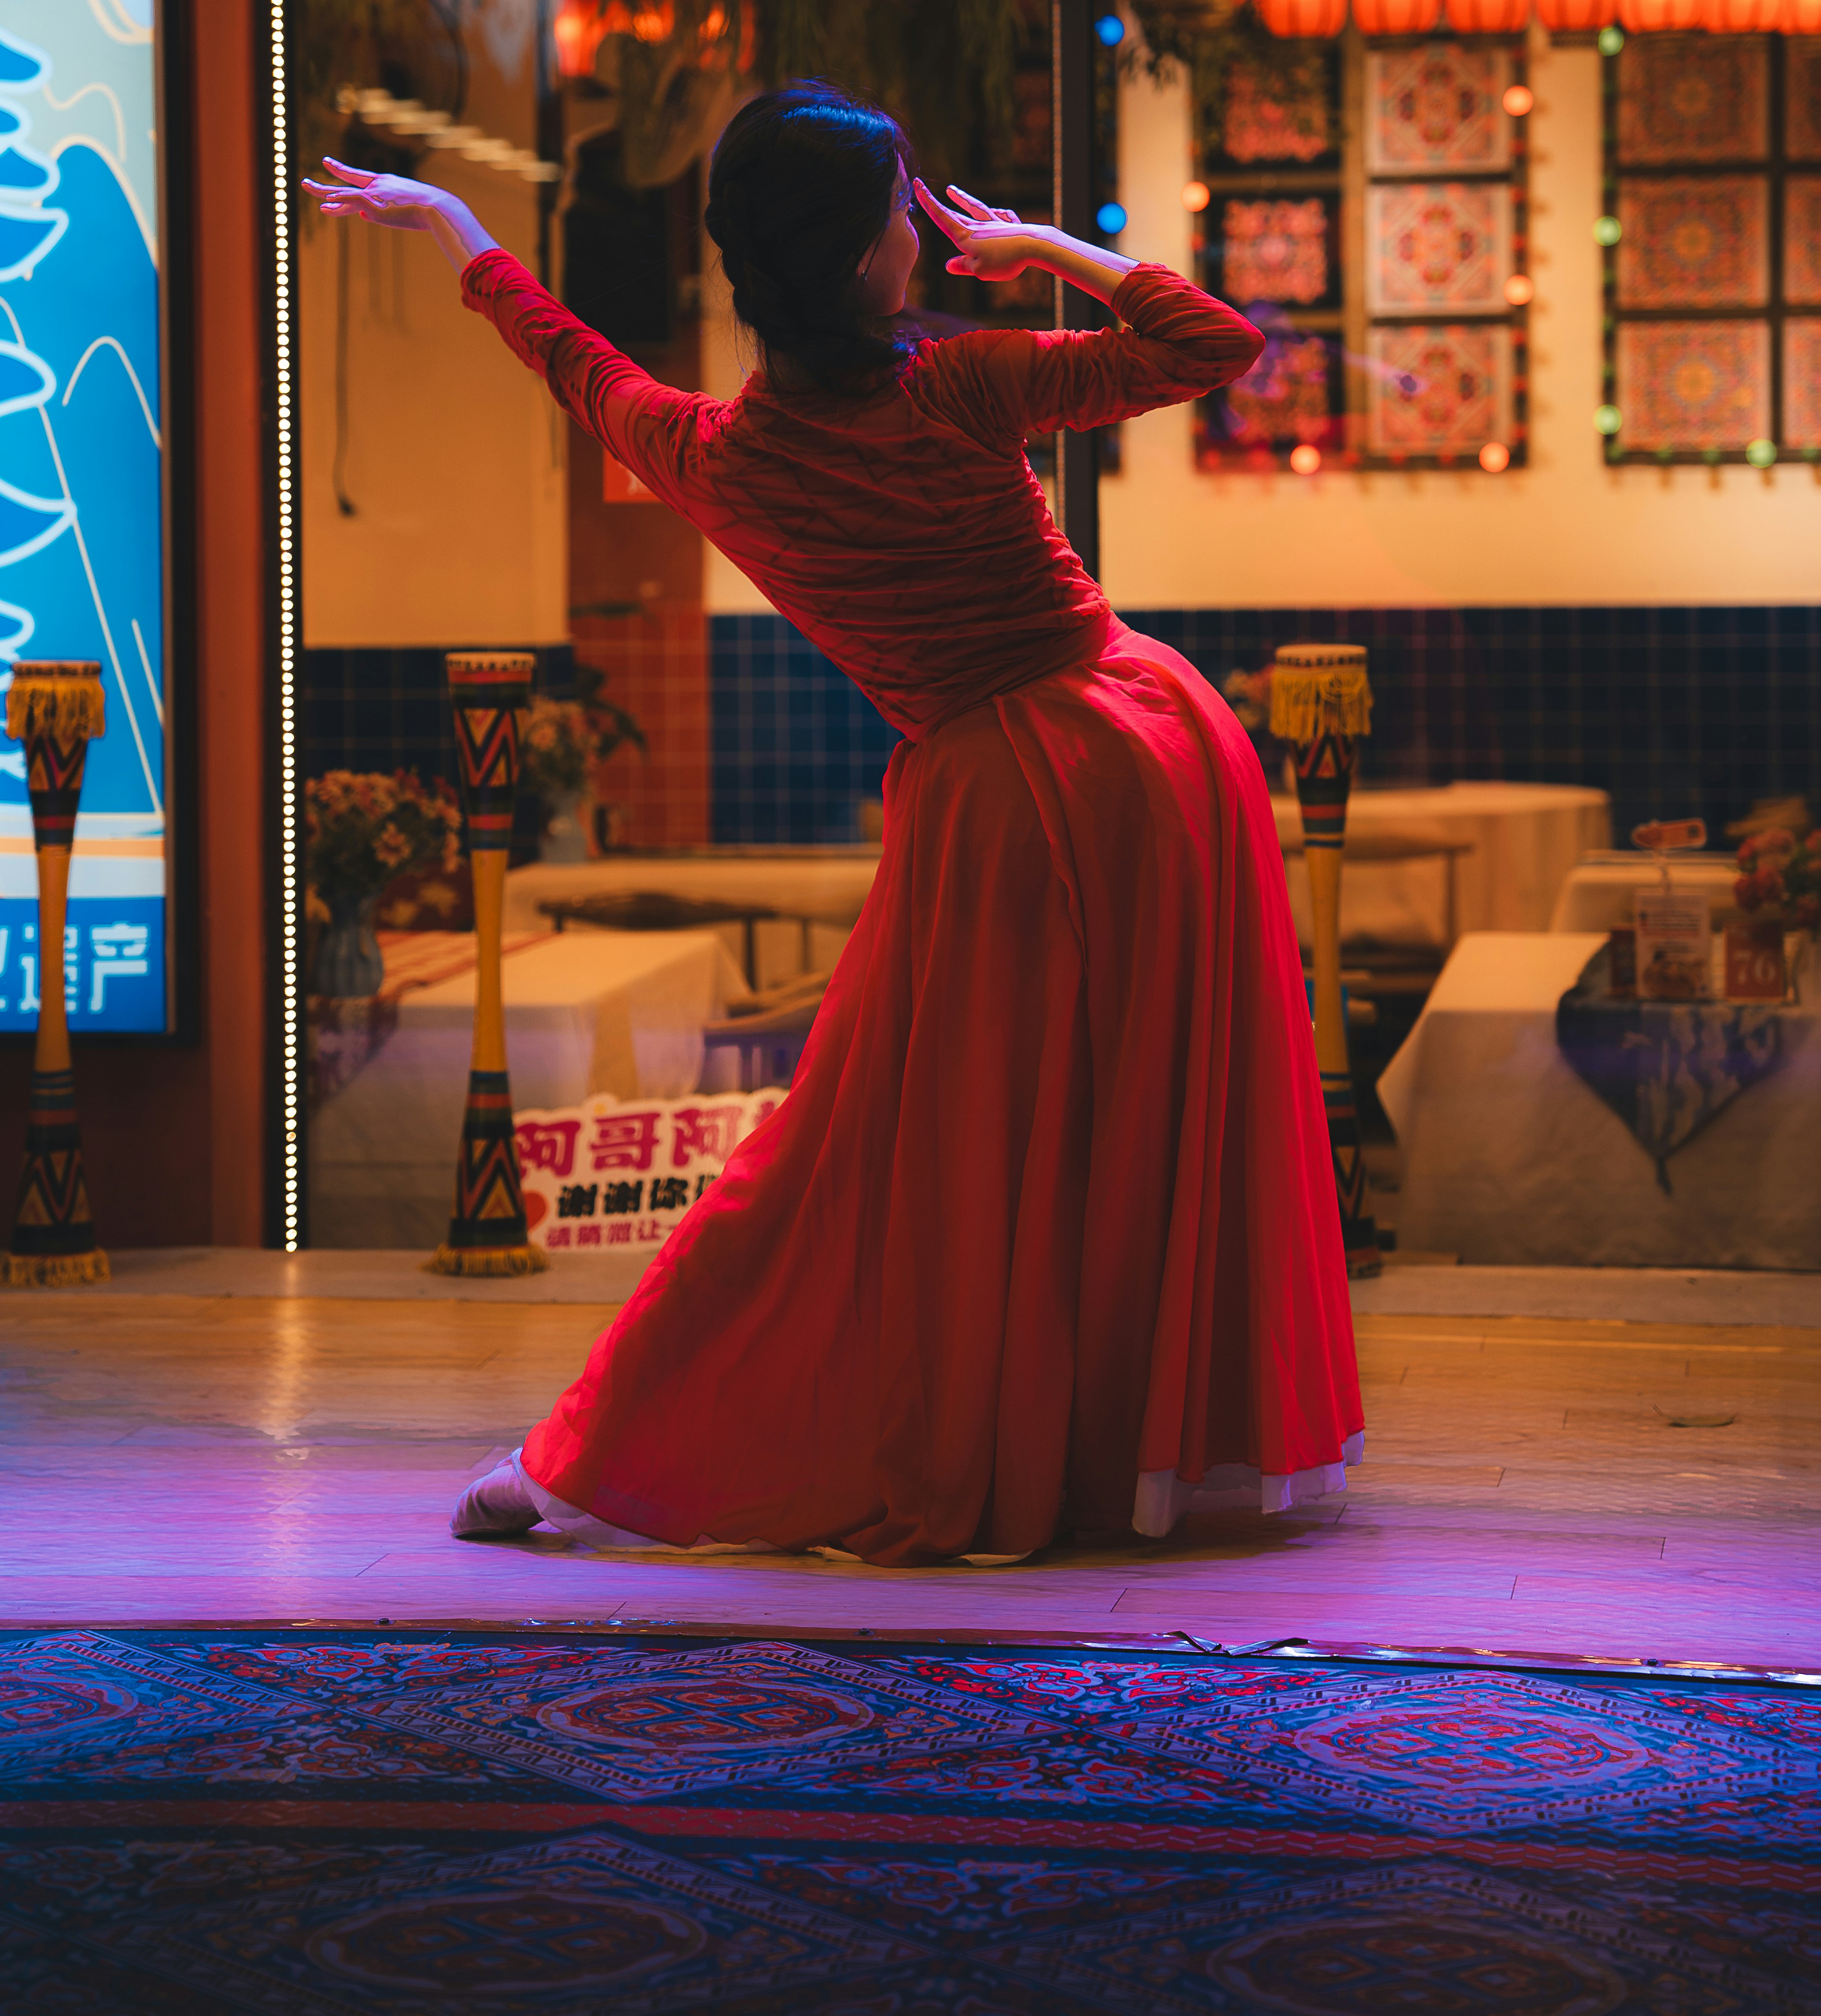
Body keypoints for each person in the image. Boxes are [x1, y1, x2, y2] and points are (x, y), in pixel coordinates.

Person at [305, 85, 1362, 1566]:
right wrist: (1042, 245)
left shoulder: (712, 453)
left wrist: (467, 236)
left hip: (1003, 800)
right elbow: (1215, 345)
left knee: (913, 1150)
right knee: (1105, 1125)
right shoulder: (963, 385)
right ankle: (1117, 1449)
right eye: (907, 211)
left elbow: (568, 358)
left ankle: (596, 1459)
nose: (923, 233)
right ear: (874, 256)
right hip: (1147, 751)